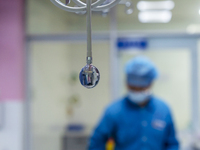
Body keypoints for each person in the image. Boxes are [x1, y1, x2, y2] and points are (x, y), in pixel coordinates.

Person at [88, 56, 179, 150]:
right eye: (133, 88)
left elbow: (171, 143)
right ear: (126, 84)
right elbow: (96, 142)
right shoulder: (114, 111)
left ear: (151, 84)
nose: (137, 92)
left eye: (141, 88)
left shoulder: (163, 109)